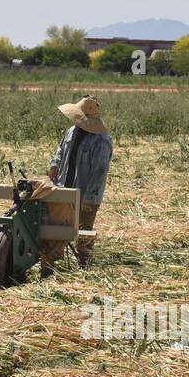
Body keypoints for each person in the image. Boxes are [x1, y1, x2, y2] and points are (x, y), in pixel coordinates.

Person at [48, 95, 113, 267]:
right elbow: (61, 149)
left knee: (84, 231)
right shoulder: (72, 131)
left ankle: (84, 265)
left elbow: (99, 173)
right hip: (64, 187)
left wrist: (89, 199)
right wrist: (55, 164)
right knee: (58, 224)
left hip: (85, 193)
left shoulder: (102, 141)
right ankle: (51, 262)